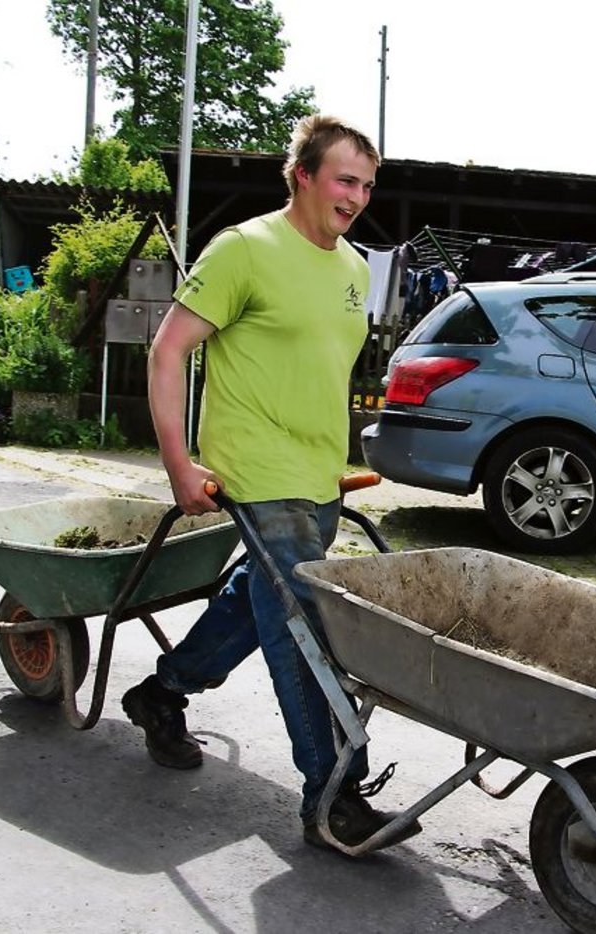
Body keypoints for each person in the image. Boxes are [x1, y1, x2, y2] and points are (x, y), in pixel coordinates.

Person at [121, 114, 419, 852]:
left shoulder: (354, 269)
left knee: (261, 602)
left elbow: (318, 366)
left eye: (368, 184)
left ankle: (160, 693)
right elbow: (168, 353)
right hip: (254, 472)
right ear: (304, 176)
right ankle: (334, 794)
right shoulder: (244, 250)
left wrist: (335, 461)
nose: (357, 196)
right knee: (302, 624)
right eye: (345, 179)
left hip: (319, 478)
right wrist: (178, 462)